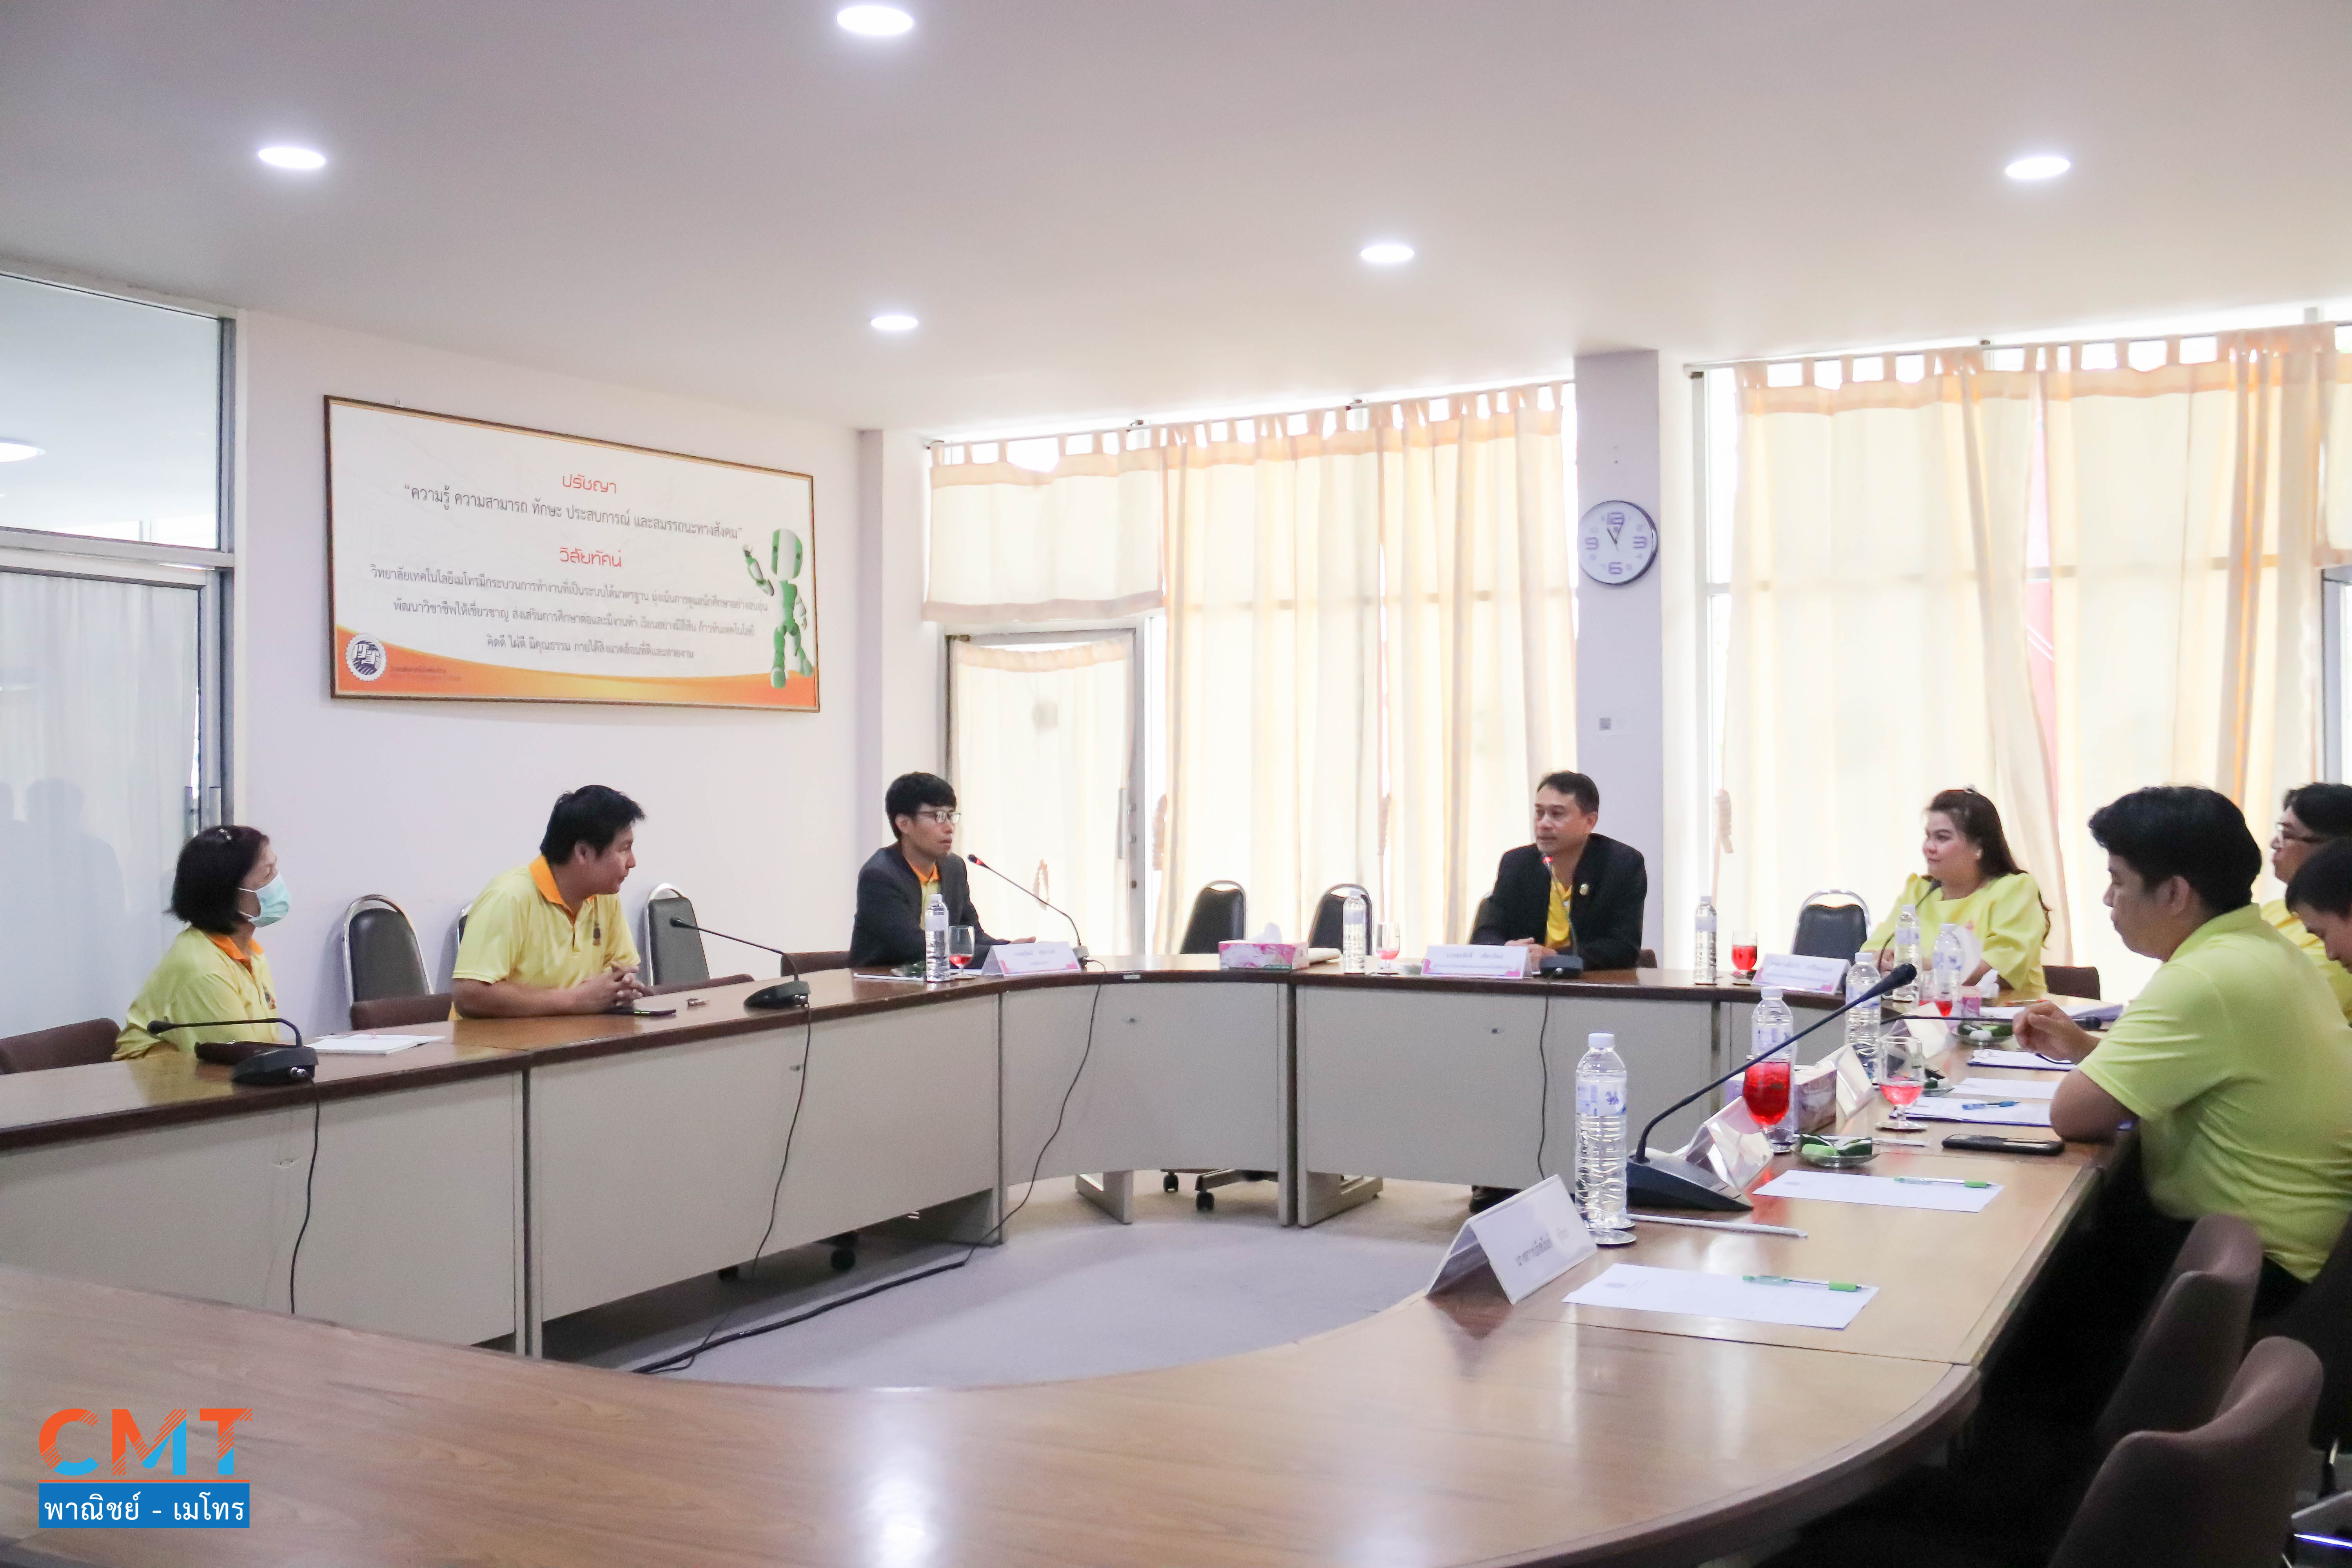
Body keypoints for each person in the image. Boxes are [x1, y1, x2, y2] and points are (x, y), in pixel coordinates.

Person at [2014, 786, 2352, 1317]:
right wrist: (2088, 1050)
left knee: (2034, 1284)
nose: (2107, 899)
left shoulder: (2206, 976)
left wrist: (2094, 1063)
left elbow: (2073, 1115)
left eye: (2117, 880)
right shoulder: (2262, 945)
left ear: (2174, 893)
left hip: (2262, 1267)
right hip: (2296, 1250)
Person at [452, 786, 648, 1018]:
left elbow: (621, 971)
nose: (632, 862)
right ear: (583, 853)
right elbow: (469, 995)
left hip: (576, 1036)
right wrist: (573, 1000)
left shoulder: (605, 898)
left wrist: (620, 989)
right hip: (495, 1041)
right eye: (624, 849)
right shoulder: (509, 897)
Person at [114, 825, 291, 1059]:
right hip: (161, 1080)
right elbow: (243, 1060)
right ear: (227, 891)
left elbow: (265, 1048)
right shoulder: (204, 969)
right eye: (267, 874)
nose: (277, 881)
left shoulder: (250, 954)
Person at [1866, 787, 2050, 997]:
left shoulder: (2014, 889)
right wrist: (1883, 962)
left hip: (2004, 1013)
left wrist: (1913, 967)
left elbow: (1994, 970)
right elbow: (1871, 952)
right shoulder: (1920, 891)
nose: (1928, 847)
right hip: (1922, 1010)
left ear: (1979, 848)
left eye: (1942, 838)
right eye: (1928, 837)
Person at [1470, 770, 1647, 970]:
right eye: (1539, 813)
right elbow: (1484, 935)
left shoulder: (1621, 865)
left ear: (1590, 822)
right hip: (1527, 985)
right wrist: (1504, 950)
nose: (1544, 824)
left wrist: (1555, 957)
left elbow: (1623, 948)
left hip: (1589, 983)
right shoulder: (1517, 864)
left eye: (1557, 814)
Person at [849, 772, 1009, 968]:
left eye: (951, 816)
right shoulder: (880, 876)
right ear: (904, 824)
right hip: (882, 982)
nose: (950, 828)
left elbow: (972, 936)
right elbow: (917, 948)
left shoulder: (954, 869)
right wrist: (998, 955)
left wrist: (1012, 950)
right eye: (938, 817)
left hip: (937, 980)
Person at [2259, 782, 2352, 1020]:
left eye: (2287, 834)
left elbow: (2280, 1007)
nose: (2274, 843)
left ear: (2334, 847)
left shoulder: (2343, 941)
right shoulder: (2271, 911)